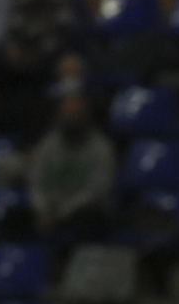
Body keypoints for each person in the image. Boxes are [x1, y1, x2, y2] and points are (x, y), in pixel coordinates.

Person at [27, 94, 115, 239]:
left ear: (86, 117)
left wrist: (60, 213)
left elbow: (96, 191)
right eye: (67, 114)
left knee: (88, 220)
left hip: (81, 212)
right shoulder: (48, 144)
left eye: (76, 114)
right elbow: (36, 181)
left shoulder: (101, 148)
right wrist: (42, 209)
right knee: (14, 217)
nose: (71, 119)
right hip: (49, 211)